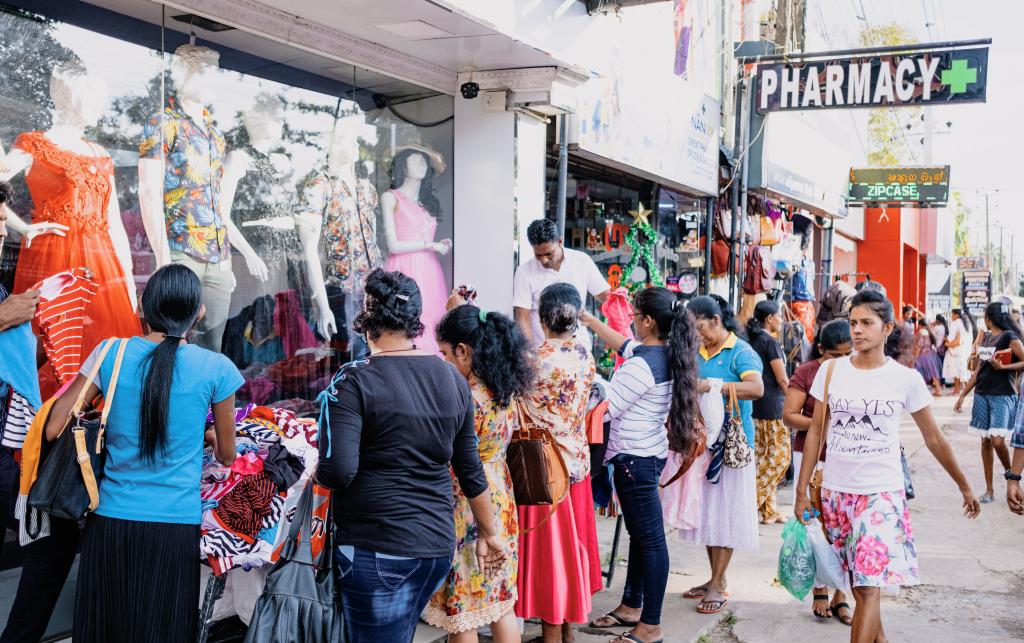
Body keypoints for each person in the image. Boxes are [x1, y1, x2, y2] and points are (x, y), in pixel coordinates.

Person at [38, 264, 243, 642]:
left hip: (110, 524)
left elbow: (54, 428)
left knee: (107, 630)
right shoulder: (217, 368)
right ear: (199, 311)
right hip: (175, 528)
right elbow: (228, 456)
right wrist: (210, 435)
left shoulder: (111, 353)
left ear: (141, 309)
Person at [316, 269, 508, 643]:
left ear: (367, 318)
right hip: (436, 546)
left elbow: (338, 471)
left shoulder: (353, 379)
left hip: (379, 547)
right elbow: (470, 469)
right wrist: (490, 533)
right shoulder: (452, 378)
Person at [794, 289, 980, 643]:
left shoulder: (905, 379)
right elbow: (817, 430)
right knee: (859, 585)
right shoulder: (831, 371)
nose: (857, 331)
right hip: (836, 494)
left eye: (867, 323)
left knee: (867, 588)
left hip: (880, 496)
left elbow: (935, 439)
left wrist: (964, 485)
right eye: (853, 323)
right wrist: (802, 491)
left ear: (887, 328)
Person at [581, 287, 700, 643]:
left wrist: (584, 385)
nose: (631, 321)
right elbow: (624, 345)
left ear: (648, 321)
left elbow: (605, 410)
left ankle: (650, 625)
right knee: (641, 535)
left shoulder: (642, 366)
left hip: (635, 459)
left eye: (634, 315)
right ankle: (632, 606)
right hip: (646, 455)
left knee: (650, 540)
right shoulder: (662, 353)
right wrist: (589, 320)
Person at [427, 299, 534, 643]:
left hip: (468, 505)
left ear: (463, 351)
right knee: (499, 602)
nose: (443, 362)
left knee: (464, 612)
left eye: (444, 353)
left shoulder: (465, 398)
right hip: (500, 496)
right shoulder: (502, 389)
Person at [514, 283, 600, 643]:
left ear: (542, 316)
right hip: (577, 466)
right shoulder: (584, 355)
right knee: (571, 552)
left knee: (551, 559)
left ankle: (553, 635)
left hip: (543, 472)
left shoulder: (532, 358)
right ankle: (566, 633)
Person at [680, 295, 763, 615]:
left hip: (732, 447)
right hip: (704, 444)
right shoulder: (698, 352)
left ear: (716, 320)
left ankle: (718, 582)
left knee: (726, 515)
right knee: (709, 514)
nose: (696, 334)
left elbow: (756, 389)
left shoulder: (740, 352)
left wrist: (710, 386)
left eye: (699, 326)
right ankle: (716, 576)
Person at [783, 319, 853, 624]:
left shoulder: (859, 371)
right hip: (810, 458)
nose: (842, 362)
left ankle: (842, 594)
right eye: (835, 356)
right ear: (821, 350)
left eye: (847, 354)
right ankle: (820, 588)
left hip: (848, 458)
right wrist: (821, 423)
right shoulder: (807, 372)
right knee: (815, 523)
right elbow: (789, 416)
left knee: (845, 526)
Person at [954, 301, 1024, 504]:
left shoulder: (1010, 337)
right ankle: (990, 490)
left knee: (997, 440)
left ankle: (1012, 476)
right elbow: (978, 370)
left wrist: (1004, 368)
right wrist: (963, 394)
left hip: (1003, 394)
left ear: (988, 317)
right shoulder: (985, 337)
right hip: (982, 393)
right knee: (985, 441)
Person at [512, 219, 609, 347]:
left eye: (548, 254)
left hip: (579, 349)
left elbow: (607, 298)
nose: (544, 260)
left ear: (560, 242)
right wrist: (531, 355)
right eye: (538, 255)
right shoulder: (524, 272)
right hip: (543, 354)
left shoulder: (581, 261)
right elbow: (523, 319)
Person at [745, 300, 790, 524]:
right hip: (773, 408)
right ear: (770, 319)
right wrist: (794, 399)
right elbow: (782, 378)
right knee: (779, 458)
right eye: (779, 315)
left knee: (764, 456)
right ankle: (749, 502)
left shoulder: (751, 340)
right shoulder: (769, 342)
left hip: (755, 406)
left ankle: (768, 510)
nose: (782, 319)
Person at [943, 308, 971, 395]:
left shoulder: (955, 323)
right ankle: (964, 390)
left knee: (955, 371)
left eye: (952, 314)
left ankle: (957, 390)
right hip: (964, 351)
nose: (951, 316)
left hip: (955, 351)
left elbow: (951, 339)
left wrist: (947, 343)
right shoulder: (967, 323)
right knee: (962, 371)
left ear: (956, 315)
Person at [914, 319, 943, 396]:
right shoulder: (929, 331)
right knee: (933, 372)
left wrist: (915, 357)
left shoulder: (921, 331)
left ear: (920, 325)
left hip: (923, 355)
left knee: (919, 371)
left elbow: (920, 345)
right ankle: (938, 389)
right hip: (931, 354)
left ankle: (921, 392)